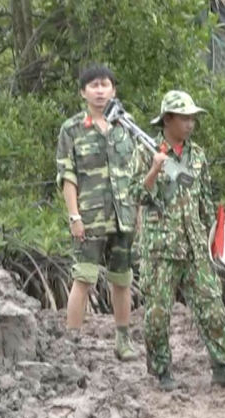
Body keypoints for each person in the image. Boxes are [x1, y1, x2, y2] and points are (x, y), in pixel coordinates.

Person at [130, 90, 225, 391]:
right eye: (184, 118)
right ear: (167, 119)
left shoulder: (197, 156)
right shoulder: (146, 151)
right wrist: (155, 169)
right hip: (161, 249)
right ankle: (161, 371)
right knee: (158, 313)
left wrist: (212, 234)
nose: (190, 124)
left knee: (211, 306)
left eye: (193, 118)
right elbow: (136, 195)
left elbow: (205, 199)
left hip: (195, 246)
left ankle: (224, 368)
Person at [55, 65, 138, 362]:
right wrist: (74, 216)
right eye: (94, 85)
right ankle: (72, 343)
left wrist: (137, 212)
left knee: (122, 278)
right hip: (90, 217)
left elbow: (135, 173)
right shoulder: (72, 129)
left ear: (114, 90)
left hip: (122, 216)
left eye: (105, 85)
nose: (100, 90)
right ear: (83, 92)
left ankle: (123, 340)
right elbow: (68, 176)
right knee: (84, 277)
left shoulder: (126, 126)